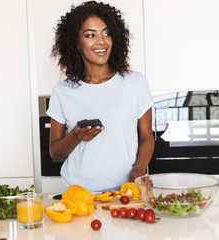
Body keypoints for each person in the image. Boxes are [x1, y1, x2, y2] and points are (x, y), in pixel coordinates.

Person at [47, 1, 154, 193]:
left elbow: (147, 137)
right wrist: (75, 136)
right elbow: (55, 152)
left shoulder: (135, 83)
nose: (101, 41)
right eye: (90, 35)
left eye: (107, 33)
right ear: (76, 44)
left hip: (123, 192)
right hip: (76, 193)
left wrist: (138, 170)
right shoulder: (63, 91)